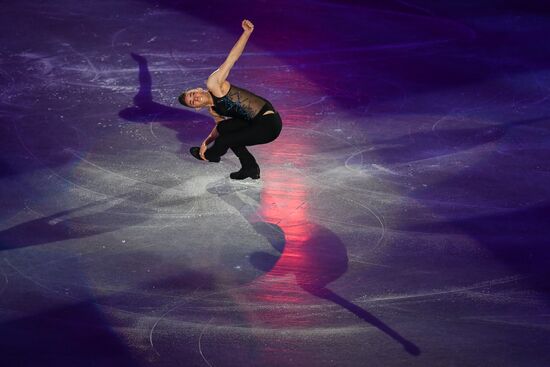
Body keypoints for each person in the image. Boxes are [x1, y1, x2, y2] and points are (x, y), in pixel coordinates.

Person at [178, 19, 282, 180]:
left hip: (269, 123)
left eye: (193, 94)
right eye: (193, 102)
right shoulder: (213, 109)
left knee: (226, 140)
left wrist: (246, 33)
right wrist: (206, 141)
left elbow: (232, 58)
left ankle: (210, 156)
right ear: (197, 107)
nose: (196, 97)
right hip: (255, 123)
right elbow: (222, 128)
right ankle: (250, 167)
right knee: (226, 130)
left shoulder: (214, 84)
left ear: (198, 89)